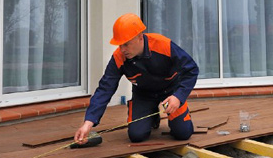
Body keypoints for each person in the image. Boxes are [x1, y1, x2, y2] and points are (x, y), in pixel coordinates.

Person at [74, 13, 199, 144]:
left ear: (140, 37)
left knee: (183, 133)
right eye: (119, 45)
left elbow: (191, 69)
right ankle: (152, 116)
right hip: (144, 95)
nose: (122, 49)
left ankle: (178, 114)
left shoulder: (163, 45)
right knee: (136, 135)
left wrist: (178, 97)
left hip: (170, 93)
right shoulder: (119, 57)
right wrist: (88, 122)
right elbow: (105, 88)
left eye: (126, 44)